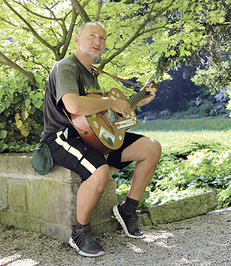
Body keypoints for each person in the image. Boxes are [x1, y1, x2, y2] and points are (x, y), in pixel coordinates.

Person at [41, 21, 161, 257]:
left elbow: (100, 116)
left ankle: (127, 211)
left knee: (151, 148)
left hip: (93, 137)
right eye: (92, 36)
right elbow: (73, 105)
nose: (98, 41)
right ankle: (79, 232)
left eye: (103, 38)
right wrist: (110, 102)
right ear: (77, 39)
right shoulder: (66, 67)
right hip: (62, 137)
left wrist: (137, 102)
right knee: (100, 171)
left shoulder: (92, 73)